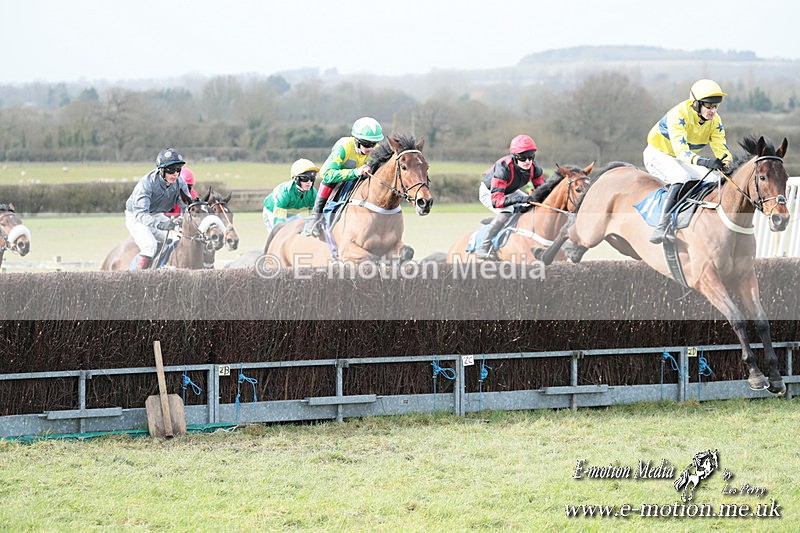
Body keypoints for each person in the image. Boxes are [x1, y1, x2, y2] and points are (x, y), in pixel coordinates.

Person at [644, 79, 733, 244]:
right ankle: (662, 226)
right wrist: (705, 161)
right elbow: (682, 151)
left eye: (716, 106)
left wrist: (727, 164)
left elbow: (721, 147)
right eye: (709, 106)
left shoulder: (715, 121)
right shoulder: (678, 115)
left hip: (679, 158)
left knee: (715, 179)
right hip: (658, 154)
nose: (713, 111)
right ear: (696, 104)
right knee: (681, 177)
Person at [300, 117, 384, 237]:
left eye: (373, 144)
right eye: (366, 144)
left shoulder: (377, 150)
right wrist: (355, 172)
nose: (370, 148)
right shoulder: (343, 146)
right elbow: (326, 174)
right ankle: (315, 217)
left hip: (360, 181)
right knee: (328, 181)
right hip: (338, 179)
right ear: (357, 140)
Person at [475, 134, 544, 260]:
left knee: (533, 205)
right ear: (515, 157)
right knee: (508, 210)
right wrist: (521, 199)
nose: (527, 161)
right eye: (523, 158)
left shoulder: (535, 169)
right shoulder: (503, 168)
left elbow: (543, 194)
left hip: (510, 191)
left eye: (531, 157)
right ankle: (483, 247)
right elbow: (496, 201)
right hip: (490, 193)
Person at [124, 148, 191, 269]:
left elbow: (186, 207)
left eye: (178, 170)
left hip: (155, 214)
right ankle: (138, 278)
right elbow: (141, 214)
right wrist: (160, 224)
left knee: (175, 239)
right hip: (136, 216)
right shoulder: (146, 184)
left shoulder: (180, 183)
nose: (175, 174)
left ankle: (163, 269)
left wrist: (182, 218)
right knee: (150, 246)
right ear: (161, 170)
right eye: (171, 170)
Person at [262, 158, 319, 234]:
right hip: (272, 213)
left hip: (293, 215)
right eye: (304, 178)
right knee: (279, 236)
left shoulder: (312, 193)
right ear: (296, 179)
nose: (309, 182)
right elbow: (279, 222)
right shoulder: (285, 192)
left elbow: (314, 216)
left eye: (312, 178)